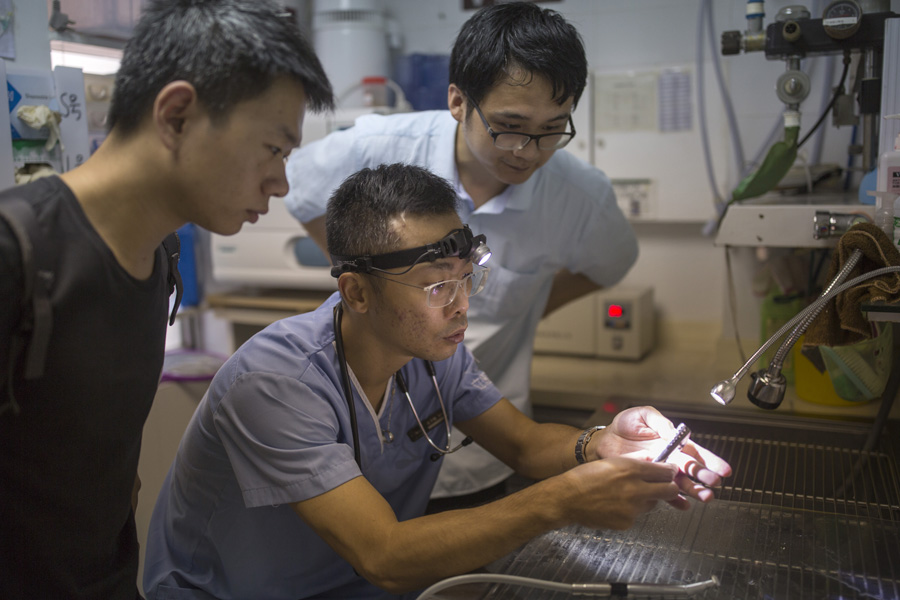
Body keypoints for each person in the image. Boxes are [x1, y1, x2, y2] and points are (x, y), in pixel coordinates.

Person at [143, 163, 731, 600]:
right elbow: (384, 555)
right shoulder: (274, 382)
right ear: (357, 292)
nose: (460, 306)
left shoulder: (432, 352)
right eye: (435, 286)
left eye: (466, 278)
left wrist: (604, 440)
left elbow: (523, 444)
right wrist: (565, 500)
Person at [0, 1, 333, 598]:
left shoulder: (159, 259)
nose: (281, 183)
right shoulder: (18, 253)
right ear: (177, 115)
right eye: (274, 149)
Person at [284, 1, 638, 509]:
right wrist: (368, 277)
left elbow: (612, 263)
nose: (527, 151)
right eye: (509, 125)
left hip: (484, 437)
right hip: (361, 432)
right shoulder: (380, 146)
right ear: (457, 100)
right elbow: (295, 187)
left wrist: (531, 305)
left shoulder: (579, 198)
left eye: (552, 130)